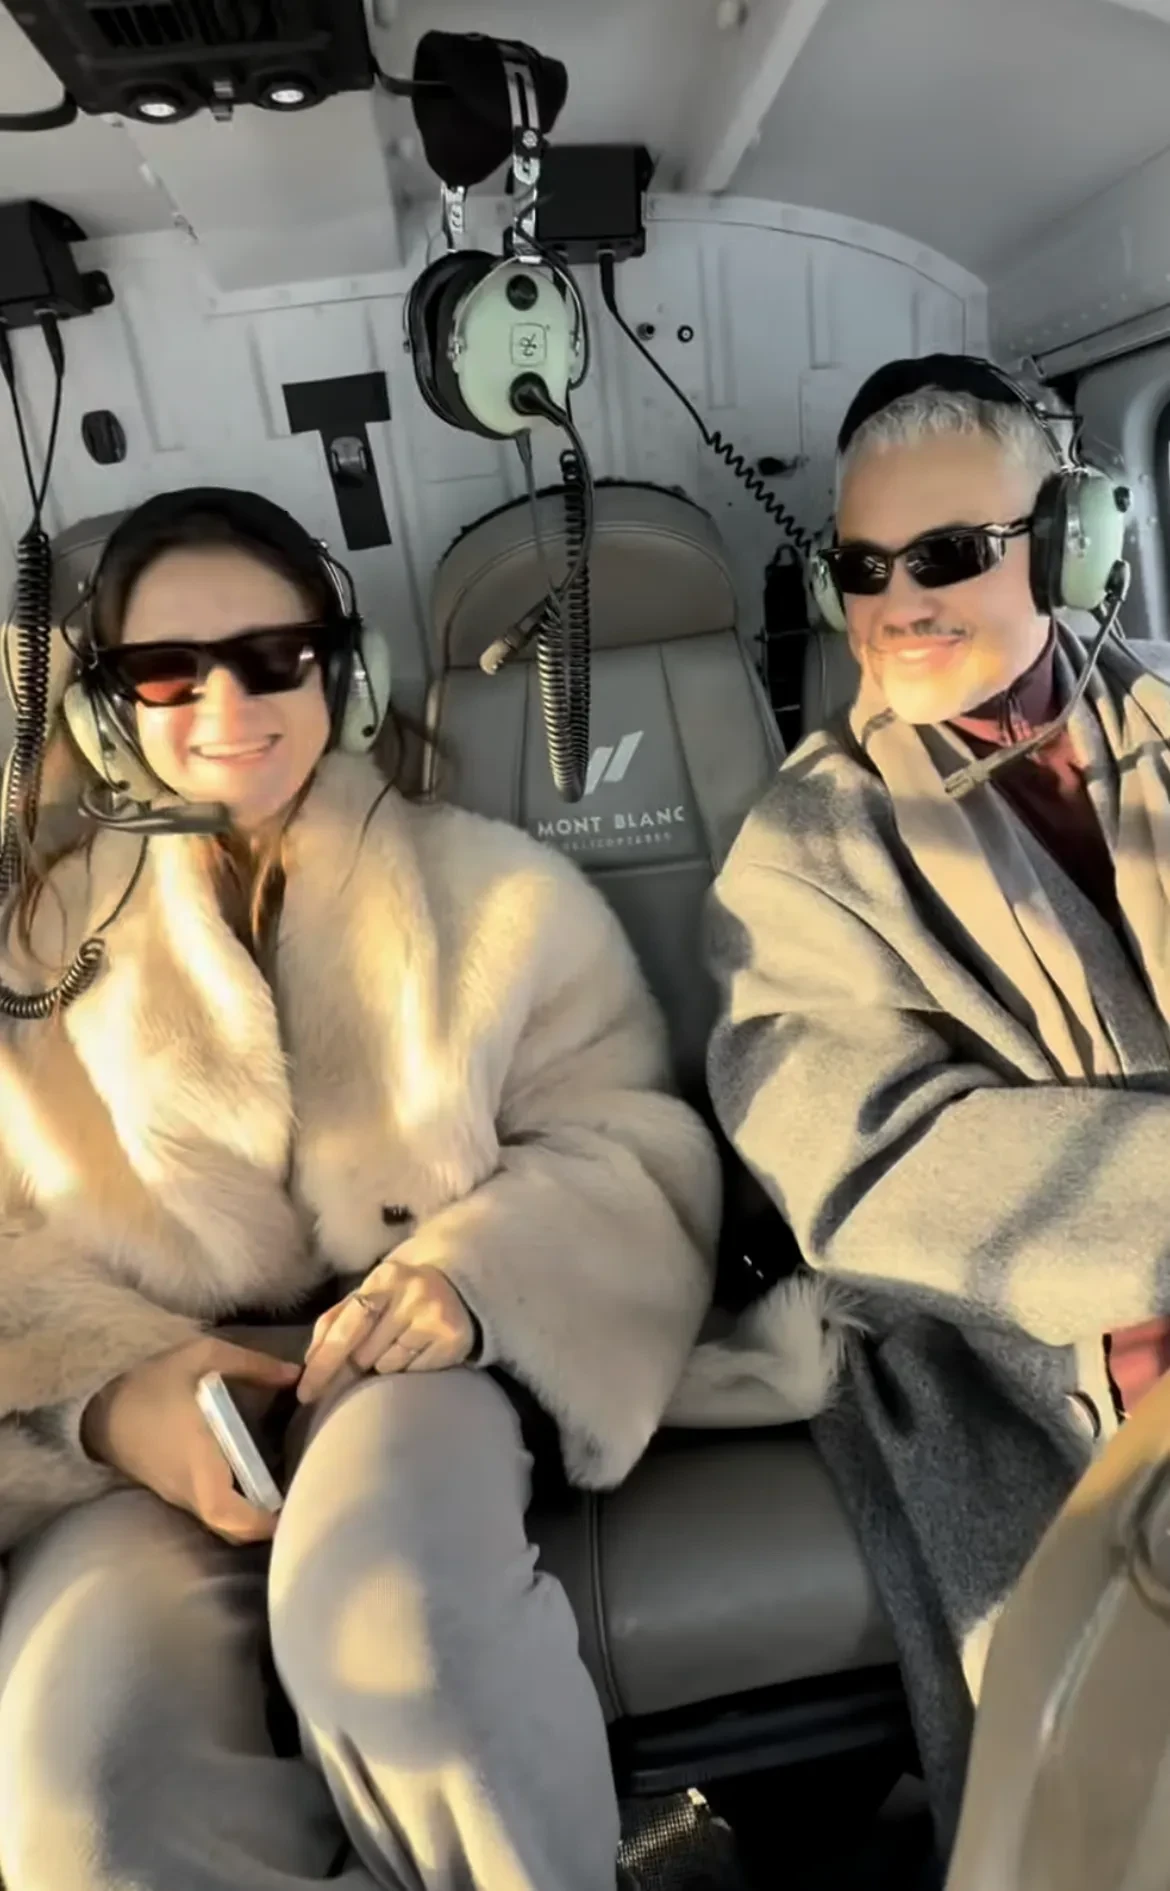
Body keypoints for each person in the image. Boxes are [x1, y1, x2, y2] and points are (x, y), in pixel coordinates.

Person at [0, 487, 720, 1891]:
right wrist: (110, 1396)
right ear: (106, 709)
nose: (228, 703)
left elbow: (629, 1141)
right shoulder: (37, 952)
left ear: (344, 671)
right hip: (148, 1415)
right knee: (87, 1799)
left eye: (274, 656)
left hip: (405, 1357)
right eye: (168, 670)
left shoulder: (497, 898)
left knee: (403, 1650)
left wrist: (472, 1277)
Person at [706, 353, 1168, 1856]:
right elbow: (869, 1170)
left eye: (952, 553)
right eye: (864, 568)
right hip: (1035, 1359)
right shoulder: (801, 850)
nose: (899, 601)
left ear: (1070, 543)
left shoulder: (1162, 720)